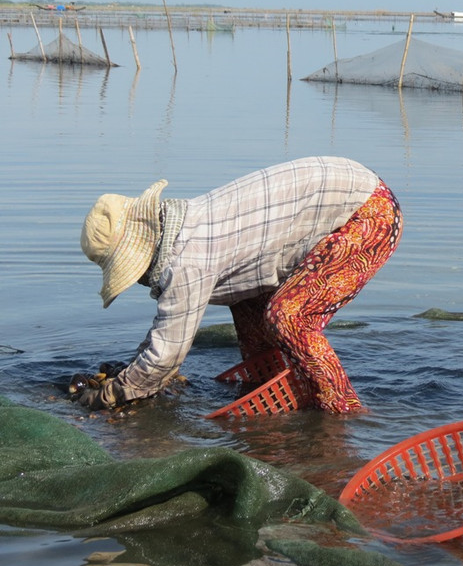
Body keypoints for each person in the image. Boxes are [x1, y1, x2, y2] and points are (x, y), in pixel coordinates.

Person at [77, 156, 403, 414]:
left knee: (289, 317)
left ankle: (343, 412)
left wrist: (110, 394)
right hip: (343, 194)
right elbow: (167, 330)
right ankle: (279, 390)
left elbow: (166, 355)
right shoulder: (185, 224)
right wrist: (135, 369)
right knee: (249, 307)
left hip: (369, 213)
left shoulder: (187, 259)